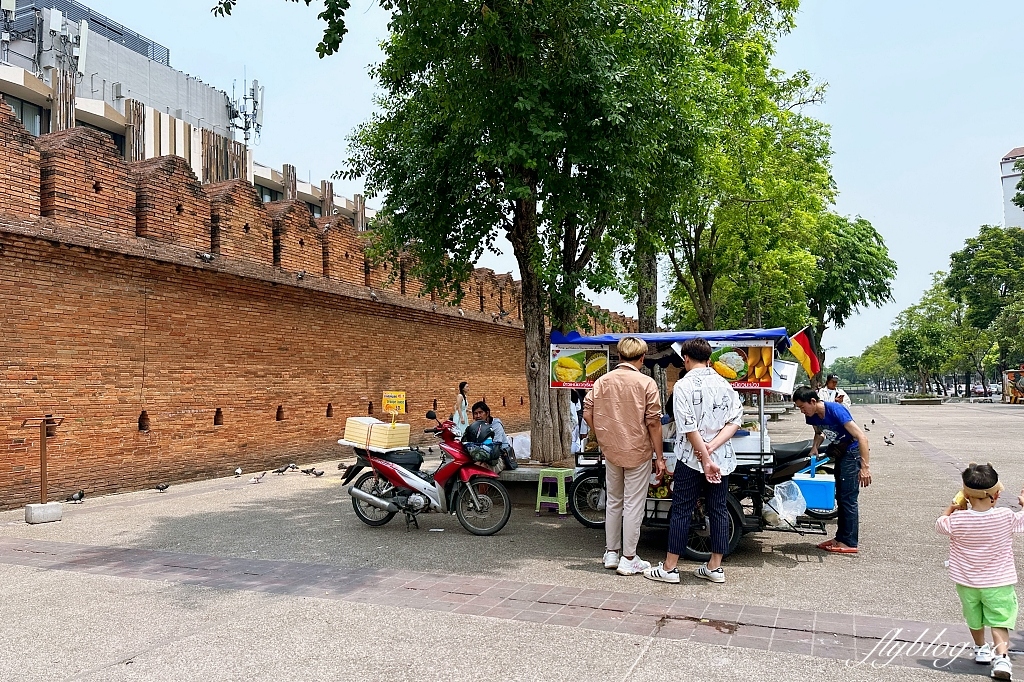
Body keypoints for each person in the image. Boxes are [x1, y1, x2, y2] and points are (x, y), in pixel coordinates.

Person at [644, 338, 743, 585]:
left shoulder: (683, 386)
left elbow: (688, 426)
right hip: (721, 459)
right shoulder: (725, 384)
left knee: (682, 509)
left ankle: (670, 568)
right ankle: (715, 567)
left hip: (690, 459)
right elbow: (735, 421)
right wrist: (712, 449)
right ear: (709, 359)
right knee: (718, 509)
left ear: (685, 359)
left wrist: (703, 453)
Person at [583, 337, 665, 576]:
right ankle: (629, 558)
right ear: (641, 358)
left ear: (618, 356)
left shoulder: (601, 382)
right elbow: (654, 423)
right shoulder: (647, 383)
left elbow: (588, 412)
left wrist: (601, 434)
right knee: (633, 504)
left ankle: (611, 552)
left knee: (614, 501)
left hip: (611, 450)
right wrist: (659, 456)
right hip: (638, 450)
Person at [936, 462, 1024, 680]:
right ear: (996, 494)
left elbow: (940, 524)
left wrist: (953, 506)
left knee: (974, 618)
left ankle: (981, 648)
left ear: (965, 493)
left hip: (967, 583)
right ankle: (1001, 658)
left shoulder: (957, 520)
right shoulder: (1005, 516)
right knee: (999, 620)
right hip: (998, 582)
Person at [792, 386, 871, 554]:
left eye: (802, 407)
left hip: (852, 452)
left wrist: (865, 468)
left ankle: (849, 541)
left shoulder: (836, 410)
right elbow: (820, 433)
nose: (801, 411)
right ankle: (840, 538)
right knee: (840, 496)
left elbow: (862, 437)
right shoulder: (811, 416)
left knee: (848, 497)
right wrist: (815, 447)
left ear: (813, 401)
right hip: (840, 451)